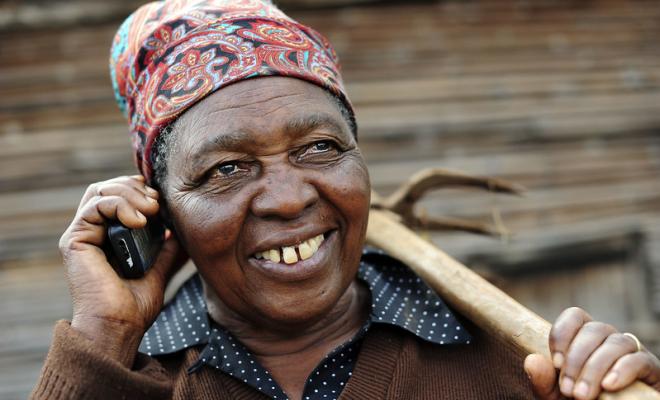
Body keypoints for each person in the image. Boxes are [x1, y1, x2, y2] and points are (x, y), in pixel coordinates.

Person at [31, 1, 660, 399]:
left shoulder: (512, 367)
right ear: (157, 208)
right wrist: (104, 336)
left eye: (319, 148)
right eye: (227, 168)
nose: (286, 198)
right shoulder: (126, 381)